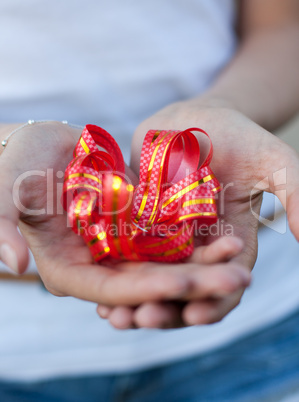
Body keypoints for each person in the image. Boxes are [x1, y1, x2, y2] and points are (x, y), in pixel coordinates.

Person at [0, 0, 299, 400]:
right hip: (16, 355)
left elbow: (282, 26)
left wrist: (220, 108)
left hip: (259, 333)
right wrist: (8, 142)